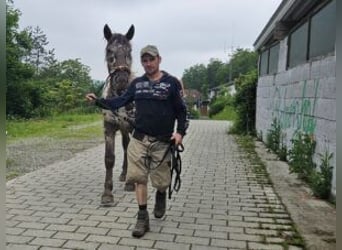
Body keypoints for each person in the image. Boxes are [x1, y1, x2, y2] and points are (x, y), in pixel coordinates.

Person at [85, 45, 187, 238]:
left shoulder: (172, 83)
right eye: (145, 60)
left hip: (163, 141)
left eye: (151, 59)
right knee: (138, 178)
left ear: (159, 59)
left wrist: (180, 133)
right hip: (139, 139)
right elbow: (120, 101)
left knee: (161, 182)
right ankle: (142, 217)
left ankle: (160, 194)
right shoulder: (137, 84)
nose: (148, 64)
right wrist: (98, 101)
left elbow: (182, 111)